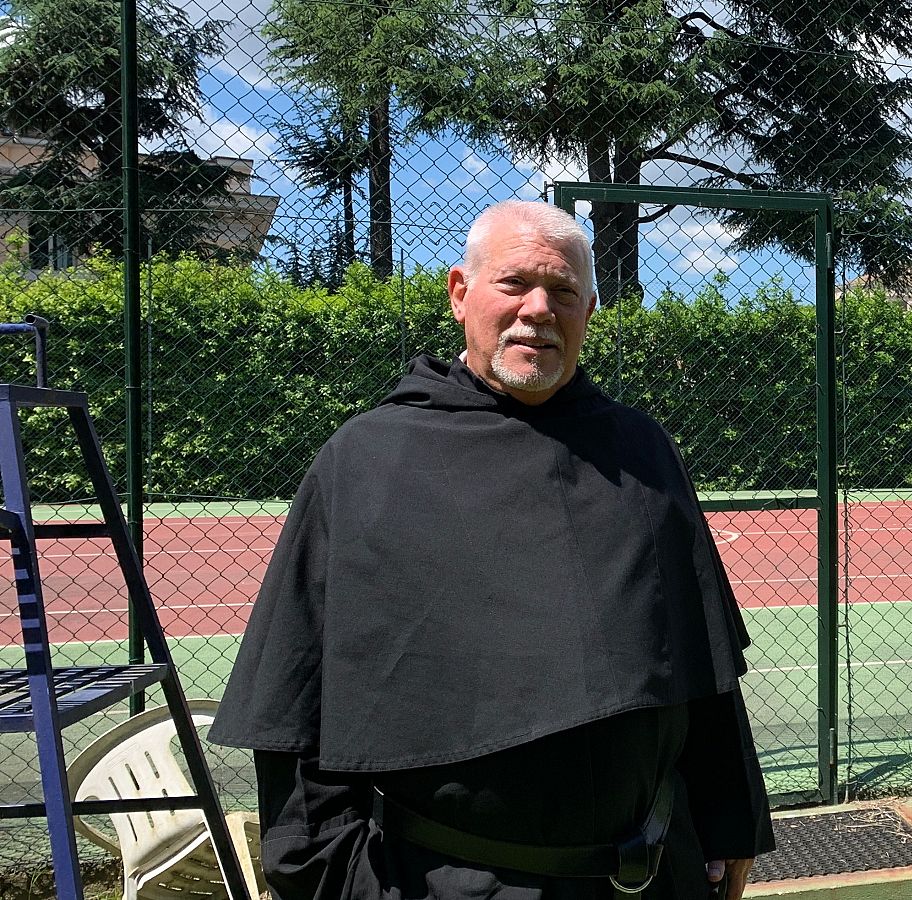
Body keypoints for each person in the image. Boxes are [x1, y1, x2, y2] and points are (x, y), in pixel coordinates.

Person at [210, 200, 774, 900]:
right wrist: (325, 871)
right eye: (514, 284)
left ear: (590, 310)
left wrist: (733, 824)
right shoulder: (366, 462)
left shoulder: (642, 453)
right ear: (459, 293)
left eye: (564, 291)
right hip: (438, 883)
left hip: (646, 876)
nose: (539, 308)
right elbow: (300, 695)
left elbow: (703, 668)